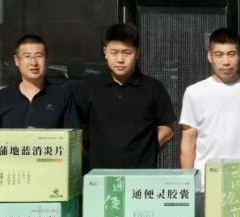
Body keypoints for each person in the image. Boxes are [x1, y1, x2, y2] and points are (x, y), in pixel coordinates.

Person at [75, 23, 175, 169]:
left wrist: (147, 152)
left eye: (127, 52)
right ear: (105, 52)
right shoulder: (89, 87)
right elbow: (77, 129)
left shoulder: (153, 88)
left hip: (142, 172)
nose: (120, 59)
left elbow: (167, 128)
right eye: (114, 52)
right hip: (100, 173)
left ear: (137, 54)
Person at [179, 28, 240, 190]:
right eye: (219, 55)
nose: (226, 62)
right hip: (205, 183)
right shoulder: (194, 92)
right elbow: (189, 140)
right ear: (209, 56)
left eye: (231, 54)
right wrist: (187, 183)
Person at [0, 34, 78, 129]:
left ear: (46, 60)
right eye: (27, 56)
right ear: (16, 60)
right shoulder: (3, 97)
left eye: (39, 56)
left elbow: (73, 135)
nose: (34, 62)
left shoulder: (62, 96)